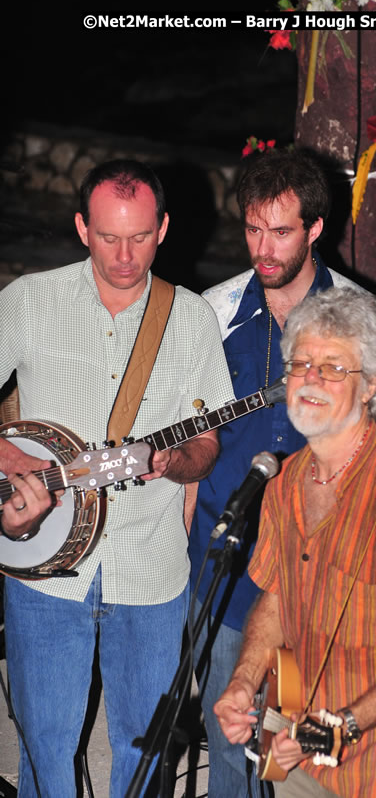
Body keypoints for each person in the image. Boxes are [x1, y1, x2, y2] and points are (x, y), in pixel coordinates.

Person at [0, 159, 234, 797]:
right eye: (108, 237)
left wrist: (173, 462)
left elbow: (207, 444)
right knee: (45, 744)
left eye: (139, 237)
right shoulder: (29, 300)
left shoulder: (190, 318)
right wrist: (13, 464)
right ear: (82, 228)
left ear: (164, 229)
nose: (124, 256)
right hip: (44, 569)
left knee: (146, 746)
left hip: (150, 567)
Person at [187, 149, 376, 797]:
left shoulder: (361, 317)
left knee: (308, 757)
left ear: (315, 229)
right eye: (253, 229)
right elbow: (190, 439)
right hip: (227, 569)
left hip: (322, 573)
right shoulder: (213, 312)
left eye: (281, 231)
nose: (264, 248)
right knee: (231, 748)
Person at [214, 287, 376, 798]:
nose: (310, 379)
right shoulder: (285, 481)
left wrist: (340, 725)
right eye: (301, 363)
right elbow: (276, 598)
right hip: (300, 744)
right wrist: (244, 680)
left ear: (371, 383)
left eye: (333, 367)